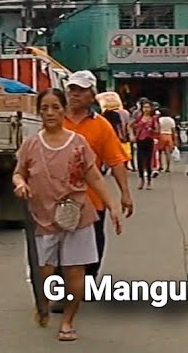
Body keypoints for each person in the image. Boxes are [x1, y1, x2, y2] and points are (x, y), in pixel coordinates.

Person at [14, 88, 124, 342]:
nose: (50, 113)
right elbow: (19, 172)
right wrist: (20, 183)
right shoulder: (31, 144)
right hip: (43, 219)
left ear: (63, 110)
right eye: (45, 108)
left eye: (55, 107)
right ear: (39, 112)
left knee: (76, 273)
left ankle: (67, 321)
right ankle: (44, 305)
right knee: (44, 271)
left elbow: (93, 176)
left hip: (77, 217)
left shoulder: (78, 143)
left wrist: (113, 205)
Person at [60, 71, 133, 284]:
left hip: (92, 198)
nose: (74, 95)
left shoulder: (101, 125)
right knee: (56, 244)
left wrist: (125, 194)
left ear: (92, 95)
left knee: (93, 243)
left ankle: (89, 280)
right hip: (57, 196)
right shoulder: (56, 120)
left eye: (80, 91)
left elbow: (115, 160)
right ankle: (59, 288)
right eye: (72, 90)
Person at [130, 99, 159, 190]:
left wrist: (152, 130)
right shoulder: (139, 118)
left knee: (148, 161)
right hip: (140, 141)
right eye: (144, 107)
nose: (146, 109)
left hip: (148, 140)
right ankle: (142, 179)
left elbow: (157, 130)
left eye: (148, 107)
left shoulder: (153, 119)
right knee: (139, 161)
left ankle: (149, 181)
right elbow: (130, 126)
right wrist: (132, 135)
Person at [157, 108, 177, 173]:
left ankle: (160, 166)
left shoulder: (159, 120)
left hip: (161, 135)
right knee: (167, 152)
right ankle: (168, 167)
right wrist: (175, 140)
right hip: (169, 135)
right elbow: (174, 131)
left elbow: (157, 129)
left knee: (159, 152)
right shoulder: (171, 120)